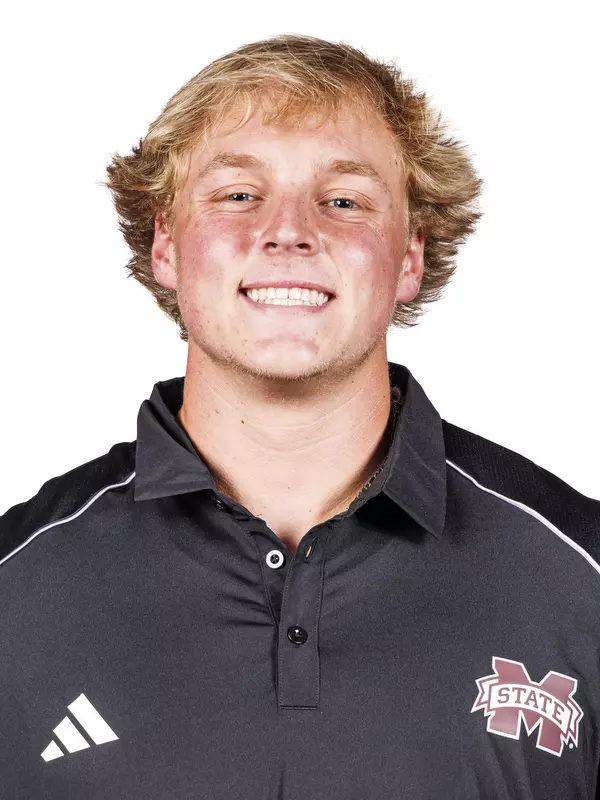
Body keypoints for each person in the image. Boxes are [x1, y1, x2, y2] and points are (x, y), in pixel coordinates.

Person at [1, 33, 598, 800]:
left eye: (343, 200)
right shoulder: (17, 590)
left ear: (410, 255)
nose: (288, 231)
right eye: (238, 195)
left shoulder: (579, 580)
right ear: (166, 247)